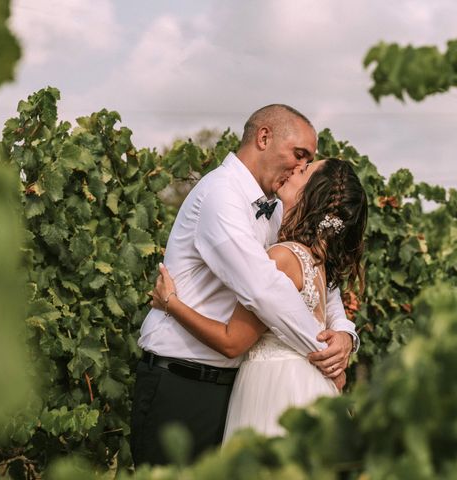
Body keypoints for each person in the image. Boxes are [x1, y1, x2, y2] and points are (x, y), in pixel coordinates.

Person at [130, 105, 360, 465]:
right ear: (264, 137)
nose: (300, 168)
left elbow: (321, 281)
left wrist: (345, 334)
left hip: (235, 388)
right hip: (181, 382)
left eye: (308, 163)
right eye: (299, 155)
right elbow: (264, 290)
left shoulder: (280, 208)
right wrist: (324, 358)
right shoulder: (222, 195)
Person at [151, 158, 367, 438]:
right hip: (305, 383)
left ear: (315, 194)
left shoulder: (283, 257)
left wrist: (170, 302)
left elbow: (232, 341)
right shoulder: (317, 261)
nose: (294, 168)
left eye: (304, 170)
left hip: (276, 387)